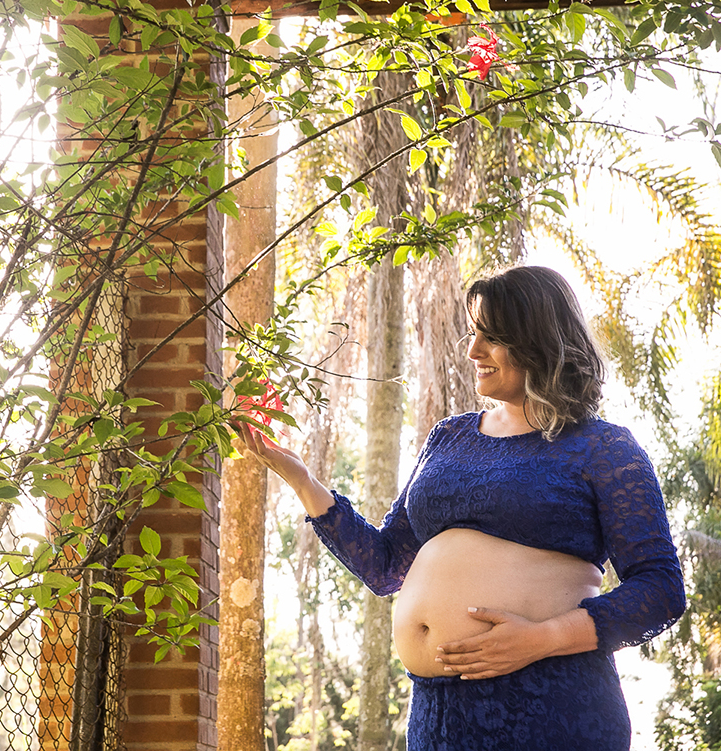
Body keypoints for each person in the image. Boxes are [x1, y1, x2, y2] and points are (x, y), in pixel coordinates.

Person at [237, 265, 686, 750]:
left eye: (491, 337)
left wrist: (543, 638)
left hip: (550, 705)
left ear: (537, 340)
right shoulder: (448, 438)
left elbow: (660, 589)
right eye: (474, 334)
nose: (473, 351)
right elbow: (387, 566)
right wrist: (300, 478)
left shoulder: (603, 448)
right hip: (438, 716)